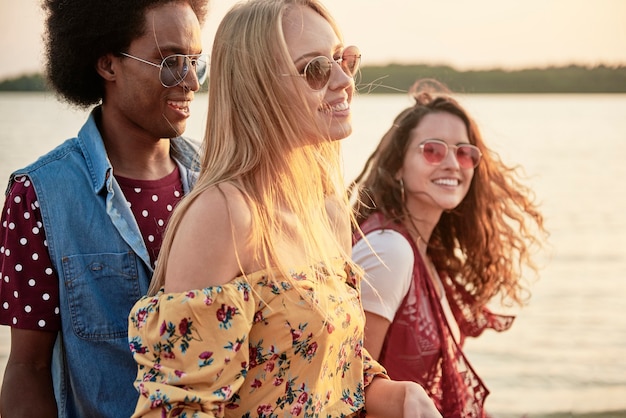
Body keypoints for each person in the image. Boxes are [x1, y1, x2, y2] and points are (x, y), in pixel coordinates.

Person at [127, 1, 441, 417]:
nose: (345, 80)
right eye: (316, 69)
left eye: (343, 59)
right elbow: (178, 408)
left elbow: (329, 374)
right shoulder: (224, 214)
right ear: (259, 86)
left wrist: (395, 394)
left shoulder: (327, 210)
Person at [0, 0, 210, 416]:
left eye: (195, 62)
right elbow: (28, 366)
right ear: (107, 65)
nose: (190, 80)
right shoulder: (38, 195)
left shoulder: (220, 182)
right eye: (170, 61)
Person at [351, 79, 547, 417]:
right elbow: (345, 382)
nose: (453, 164)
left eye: (464, 152)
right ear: (398, 165)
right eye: (432, 150)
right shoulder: (389, 250)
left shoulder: (425, 252)